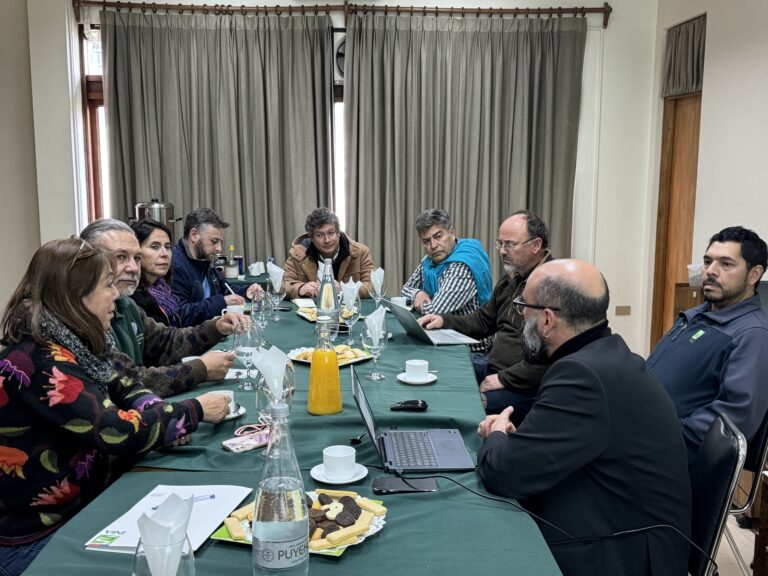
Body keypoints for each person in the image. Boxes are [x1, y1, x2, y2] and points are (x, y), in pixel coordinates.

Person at [0, 238, 230, 575]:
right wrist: (195, 411)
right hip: (37, 537)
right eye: (107, 285)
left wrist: (154, 409)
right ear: (75, 296)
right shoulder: (42, 360)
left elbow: (123, 383)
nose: (116, 294)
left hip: (81, 508)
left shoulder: (75, 337)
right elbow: (116, 430)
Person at [476, 259, 691, 576]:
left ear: (547, 320)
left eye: (525, 306)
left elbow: (505, 473)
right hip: (627, 525)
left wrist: (496, 435)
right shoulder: (606, 354)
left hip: (623, 553)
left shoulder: (581, 375)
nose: (520, 314)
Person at [80, 219, 240, 398]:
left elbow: (166, 342)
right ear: (88, 264)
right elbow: (128, 382)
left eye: (137, 258)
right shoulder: (84, 316)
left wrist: (215, 327)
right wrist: (200, 369)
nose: (134, 268)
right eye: (120, 257)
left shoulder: (126, 304)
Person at [648, 226, 768, 462]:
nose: (710, 271)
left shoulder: (753, 334)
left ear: (754, 275)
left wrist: (659, 437)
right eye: (707, 261)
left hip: (669, 460)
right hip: (645, 438)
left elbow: (732, 422)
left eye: (726, 264)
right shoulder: (696, 316)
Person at [418, 210, 551, 422]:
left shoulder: (552, 286)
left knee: (457, 407)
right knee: (437, 374)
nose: (503, 252)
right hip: (495, 369)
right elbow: (483, 321)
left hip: (524, 386)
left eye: (510, 244)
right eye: (500, 244)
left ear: (536, 245)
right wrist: (444, 320)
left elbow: (549, 358)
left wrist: (504, 378)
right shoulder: (512, 279)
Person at [171, 208, 261, 326]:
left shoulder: (203, 259)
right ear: (194, 235)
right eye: (214, 241)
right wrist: (222, 302)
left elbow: (226, 289)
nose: (219, 249)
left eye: (220, 242)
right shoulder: (175, 265)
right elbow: (180, 315)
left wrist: (247, 291)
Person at [283, 207, 375, 299]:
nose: (327, 240)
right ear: (311, 238)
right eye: (319, 235)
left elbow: (374, 286)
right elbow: (281, 286)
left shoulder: (360, 252)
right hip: (311, 312)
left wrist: (344, 289)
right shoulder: (298, 254)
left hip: (350, 311)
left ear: (338, 233)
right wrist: (300, 289)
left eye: (331, 233)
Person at [129, 218, 181, 327]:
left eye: (167, 247)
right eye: (155, 247)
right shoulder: (132, 297)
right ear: (136, 252)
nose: (164, 253)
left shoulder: (164, 287)